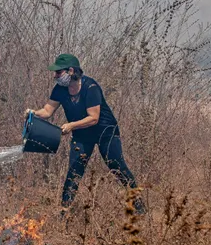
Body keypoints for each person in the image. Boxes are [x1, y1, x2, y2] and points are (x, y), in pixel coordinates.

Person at [26, 53, 147, 217]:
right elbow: (47, 111)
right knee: (74, 170)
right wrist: (33, 113)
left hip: (105, 132)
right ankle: (64, 211)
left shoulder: (91, 87)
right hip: (82, 135)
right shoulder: (60, 89)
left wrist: (71, 125)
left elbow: (94, 118)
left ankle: (138, 205)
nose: (55, 76)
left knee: (117, 166)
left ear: (71, 71)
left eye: (58, 72)